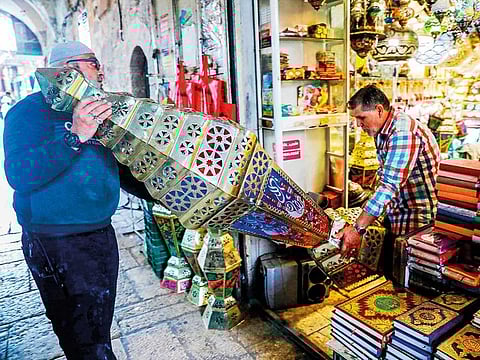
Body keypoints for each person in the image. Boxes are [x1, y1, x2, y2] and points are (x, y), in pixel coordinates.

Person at [3, 41, 154, 359]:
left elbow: (120, 170)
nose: (101, 71)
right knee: (83, 336)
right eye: (93, 63)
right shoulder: (26, 113)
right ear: (67, 69)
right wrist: (77, 133)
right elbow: (20, 175)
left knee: (95, 327)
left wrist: (163, 196)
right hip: (56, 241)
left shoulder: (97, 109)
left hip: (99, 235)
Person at [337, 85, 441, 280]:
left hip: (417, 217)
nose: (359, 124)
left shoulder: (403, 132)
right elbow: (384, 175)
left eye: (361, 118)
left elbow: (389, 186)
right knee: (391, 272)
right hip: (398, 211)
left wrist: (358, 228)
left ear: (379, 110)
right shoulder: (383, 129)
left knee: (408, 279)